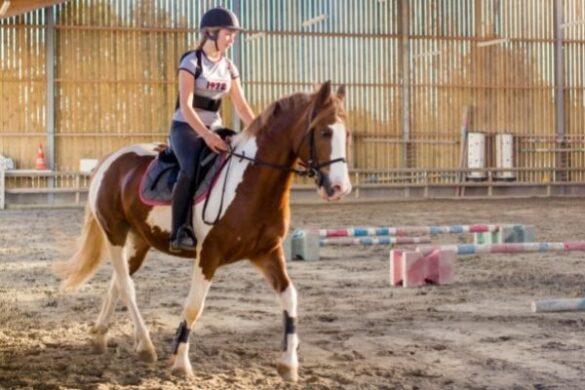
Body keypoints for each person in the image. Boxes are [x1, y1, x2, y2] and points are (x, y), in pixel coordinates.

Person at [168, 6, 255, 253]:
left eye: (234, 36)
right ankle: (179, 231)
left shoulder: (229, 67)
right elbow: (185, 106)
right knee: (189, 167)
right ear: (210, 32)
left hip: (214, 127)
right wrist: (206, 135)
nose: (232, 40)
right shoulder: (191, 61)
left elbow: (241, 106)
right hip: (186, 127)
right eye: (228, 34)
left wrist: (262, 130)